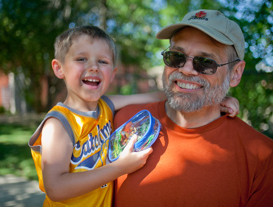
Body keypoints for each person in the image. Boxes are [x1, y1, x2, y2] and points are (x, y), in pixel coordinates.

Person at [28, 25, 239, 206]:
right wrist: (118, 168)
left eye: (103, 61)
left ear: (113, 71)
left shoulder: (105, 106)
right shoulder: (59, 124)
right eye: (81, 59)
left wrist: (213, 100)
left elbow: (158, 96)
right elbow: (55, 188)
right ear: (59, 68)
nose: (93, 67)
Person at [113, 9, 273, 207]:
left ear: (236, 73)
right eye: (176, 56)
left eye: (205, 62)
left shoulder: (263, 158)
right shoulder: (124, 122)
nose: (186, 69)